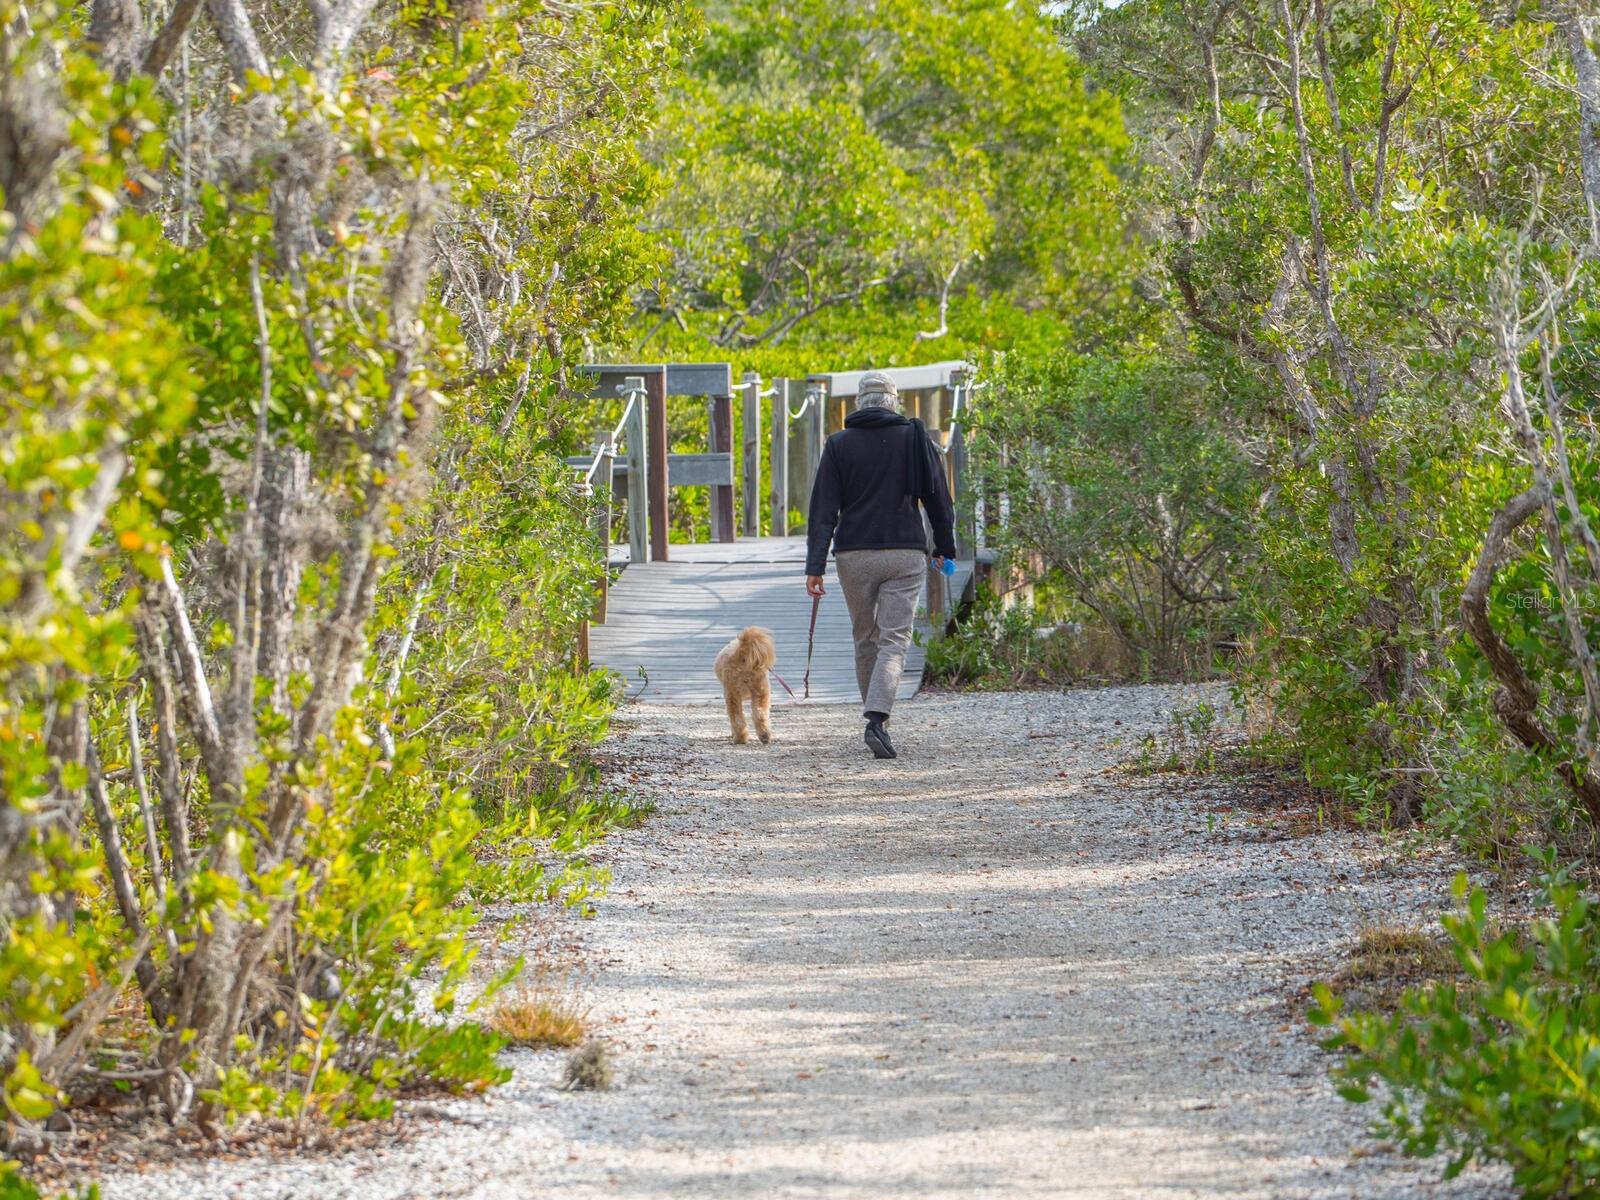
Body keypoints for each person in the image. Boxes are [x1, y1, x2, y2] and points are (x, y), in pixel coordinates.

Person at [804, 371, 957, 759]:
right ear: (893, 401)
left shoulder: (838, 444)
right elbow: (939, 498)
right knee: (894, 640)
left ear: (860, 401)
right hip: (905, 553)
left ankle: (879, 722)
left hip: (853, 555)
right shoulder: (915, 438)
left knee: (865, 638)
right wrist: (946, 546)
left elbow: (823, 510)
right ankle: (877, 717)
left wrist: (815, 565)